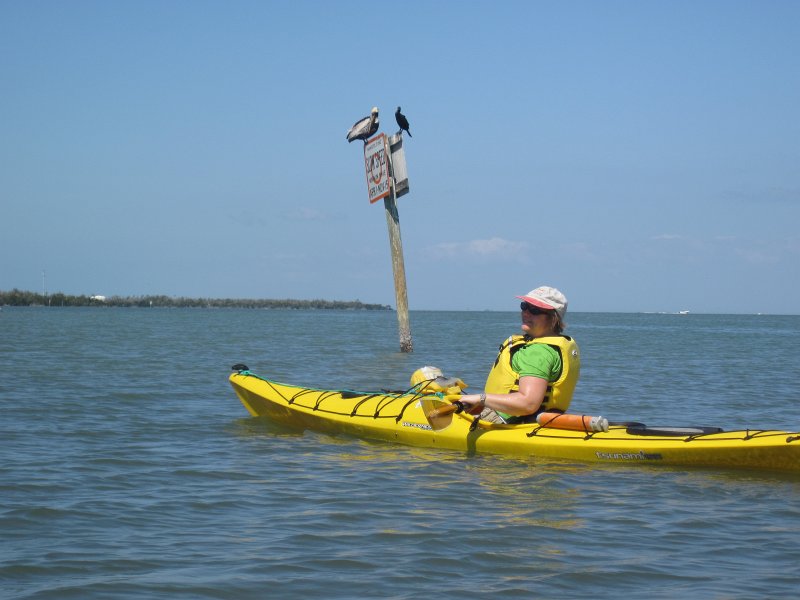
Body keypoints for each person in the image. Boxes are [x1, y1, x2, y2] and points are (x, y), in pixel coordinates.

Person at [458, 286, 580, 424]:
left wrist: (480, 399)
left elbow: (528, 404)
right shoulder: (550, 345)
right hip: (534, 422)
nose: (526, 313)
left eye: (535, 310)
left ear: (553, 318)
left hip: (507, 423)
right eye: (524, 306)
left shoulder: (538, 353)